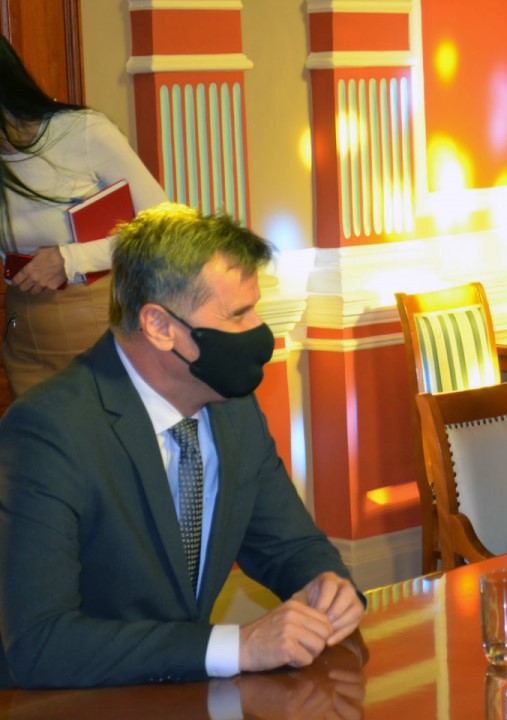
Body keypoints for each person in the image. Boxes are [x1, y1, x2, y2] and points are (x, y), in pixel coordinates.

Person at [0, 204, 363, 688]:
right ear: (159, 325)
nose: (261, 331)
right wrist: (237, 645)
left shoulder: (233, 407)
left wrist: (326, 586)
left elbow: (290, 545)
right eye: (238, 315)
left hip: (187, 698)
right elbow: (40, 643)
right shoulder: (49, 430)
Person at [0, 34, 167, 395]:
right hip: (25, 335)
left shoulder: (81, 131)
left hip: (93, 327)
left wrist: (70, 259)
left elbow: (163, 225)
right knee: (37, 433)